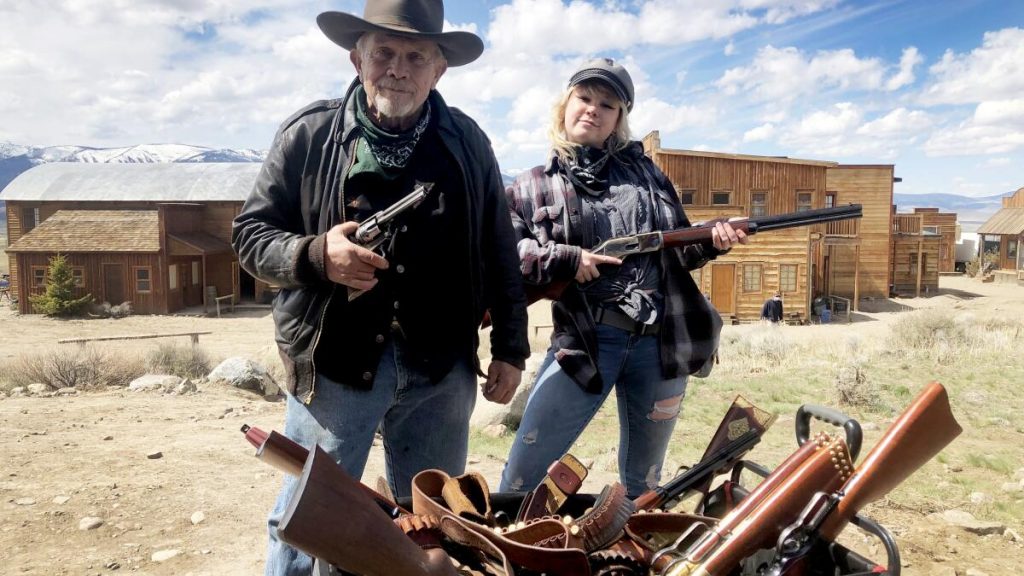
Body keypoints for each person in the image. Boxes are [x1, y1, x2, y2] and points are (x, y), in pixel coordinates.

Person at [231, 1, 529, 573]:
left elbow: (500, 252)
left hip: (441, 367)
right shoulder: (309, 135)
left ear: (439, 69)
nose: (399, 68)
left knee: (435, 520)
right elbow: (249, 237)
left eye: (416, 56)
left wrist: (511, 348)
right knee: (306, 517)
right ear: (356, 58)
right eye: (384, 52)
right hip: (335, 362)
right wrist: (318, 255)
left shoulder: (468, 143)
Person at [499, 58, 748, 498]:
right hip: (586, 342)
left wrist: (715, 238)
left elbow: (680, 250)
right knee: (521, 480)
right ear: (566, 105)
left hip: (660, 344)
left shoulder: (649, 175)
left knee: (644, 484)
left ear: (618, 119)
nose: (593, 109)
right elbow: (507, 255)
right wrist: (566, 259)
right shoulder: (529, 185)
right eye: (585, 98)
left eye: (607, 104)